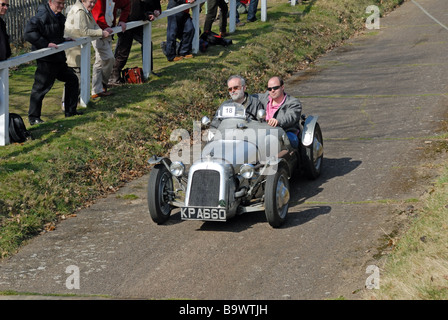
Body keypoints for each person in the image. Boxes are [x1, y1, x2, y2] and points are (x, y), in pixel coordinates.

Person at [24, 0, 81, 125]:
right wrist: (45, 44)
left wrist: (64, 39)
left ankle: (70, 112)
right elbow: (28, 33)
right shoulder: (42, 16)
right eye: (58, 3)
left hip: (58, 59)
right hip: (46, 61)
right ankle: (34, 118)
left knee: (72, 79)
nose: (61, 6)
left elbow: (54, 34)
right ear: (50, 2)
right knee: (40, 89)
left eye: (63, 3)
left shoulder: (59, 17)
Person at [64, 0, 113, 104]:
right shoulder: (80, 11)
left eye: (94, 2)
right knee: (74, 77)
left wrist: (103, 30)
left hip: (79, 47)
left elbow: (93, 25)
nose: (93, 4)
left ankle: (75, 103)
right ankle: (67, 103)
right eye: (90, 2)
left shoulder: (86, 10)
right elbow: (84, 31)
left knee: (78, 77)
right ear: (83, 1)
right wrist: (101, 33)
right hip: (73, 49)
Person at [109, 0, 161, 86]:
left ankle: (148, 71)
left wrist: (156, 11)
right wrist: (147, 15)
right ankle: (113, 78)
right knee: (122, 52)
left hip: (138, 22)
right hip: (127, 23)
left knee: (147, 44)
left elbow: (155, 4)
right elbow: (133, 11)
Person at [91, 0, 130, 98]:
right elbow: (97, 16)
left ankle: (97, 90)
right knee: (109, 58)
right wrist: (105, 28)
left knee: (100, 60)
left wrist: (122, 20)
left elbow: (126, 4)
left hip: (108, 33)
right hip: (97, 32)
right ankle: (102, 85)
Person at [256, 76, 302, 148]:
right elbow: (250, 98)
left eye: (275, 88)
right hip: (264, 132)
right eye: (269, 89)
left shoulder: (293, 102)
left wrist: (278, 121)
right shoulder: (264, 98)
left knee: (285, 141)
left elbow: (291, 116)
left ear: (282, 87)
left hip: (286, 132)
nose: (272, 90)